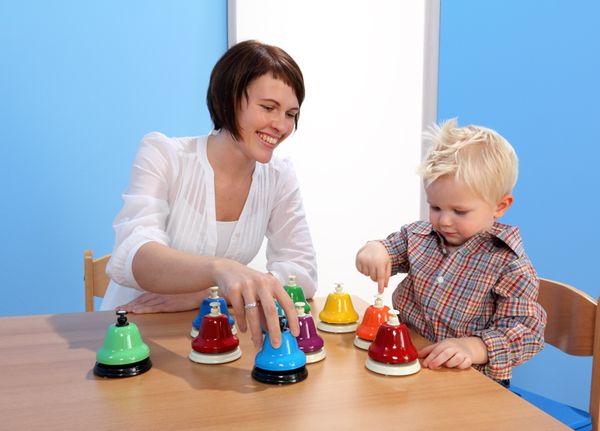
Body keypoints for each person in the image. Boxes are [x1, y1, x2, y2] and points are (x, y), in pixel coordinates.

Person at [101, 40, 318, 349]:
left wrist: (205, 292)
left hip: (213, 334)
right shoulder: (164, 154)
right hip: (135, 333)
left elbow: (303, 272)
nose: (281, 125)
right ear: (228, 100)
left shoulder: (279, 175)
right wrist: (221, 270)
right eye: (268, 108)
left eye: (291, 114)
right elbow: (135, 252)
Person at [355, 119, 546, 382]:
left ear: (500, 206)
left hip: (469, 382)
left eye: (459, 211)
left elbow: (527, 334)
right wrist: (374, 249)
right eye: (435, 207)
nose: (443, 220)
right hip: (412, 363)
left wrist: (474, 347)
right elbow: (389, 249)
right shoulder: (420, 236)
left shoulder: (510, 265)